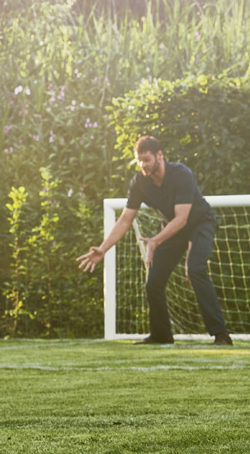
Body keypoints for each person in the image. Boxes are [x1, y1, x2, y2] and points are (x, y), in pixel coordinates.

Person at [77, 136, 232, 345]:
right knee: (153, 282)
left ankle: (221, 334)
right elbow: (125, 219)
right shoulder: (139, 182)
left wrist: (155, 240)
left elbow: (182, 219)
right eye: (139, 160)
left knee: (195, 270)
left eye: (147, 159)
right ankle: (162, 335)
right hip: (172, 228)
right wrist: (103, 249)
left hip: (199, 224)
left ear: (160, 155)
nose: (143, 165)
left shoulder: (181, 174)